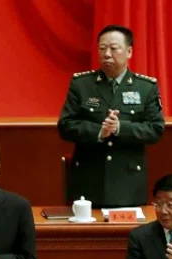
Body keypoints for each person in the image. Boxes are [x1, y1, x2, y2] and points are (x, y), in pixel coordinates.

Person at [58, 25, 165, 208]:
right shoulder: (82, 84)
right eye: (102, 48)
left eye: (114, 48)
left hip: (127, 182)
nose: (107, 54)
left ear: (129, 51)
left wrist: (120, 128)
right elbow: (65, 125)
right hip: (88, 178)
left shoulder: (145, 87)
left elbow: (155, 129)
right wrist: (99, 131)